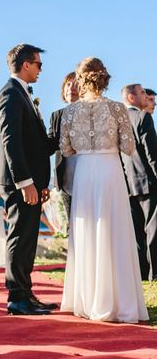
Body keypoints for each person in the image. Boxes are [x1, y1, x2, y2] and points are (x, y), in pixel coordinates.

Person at [60, 57, 148, 323]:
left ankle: (87, 300)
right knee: (114, 231)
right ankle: (119, 301)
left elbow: (65, 149)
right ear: (104, 78)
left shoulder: (69, 112)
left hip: (85, 173)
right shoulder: (117, 108)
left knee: (87, 232)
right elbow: (129, 147)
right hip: (109, 171)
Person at [0, 43, 55, 316]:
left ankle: (26, 294)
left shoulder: (23, 94)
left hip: (31, 182)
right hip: (20, 182)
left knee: (29, 238)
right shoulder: (10, 94)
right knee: (19, 237)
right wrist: (25, 182)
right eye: (39, 64)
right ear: (26, 64)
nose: (41, 70)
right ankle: (16, 298)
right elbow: (11, 142)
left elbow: (35, 143)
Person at [120, 84, 157, 281]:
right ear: (131, 97)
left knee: (137, 233)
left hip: (128, 185)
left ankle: (141, 273)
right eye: (142, 93)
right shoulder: (143, 117)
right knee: (153, 229)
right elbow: (152, 155)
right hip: (148, 183)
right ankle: (155, 273)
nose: (146, 96)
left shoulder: (118, 122)